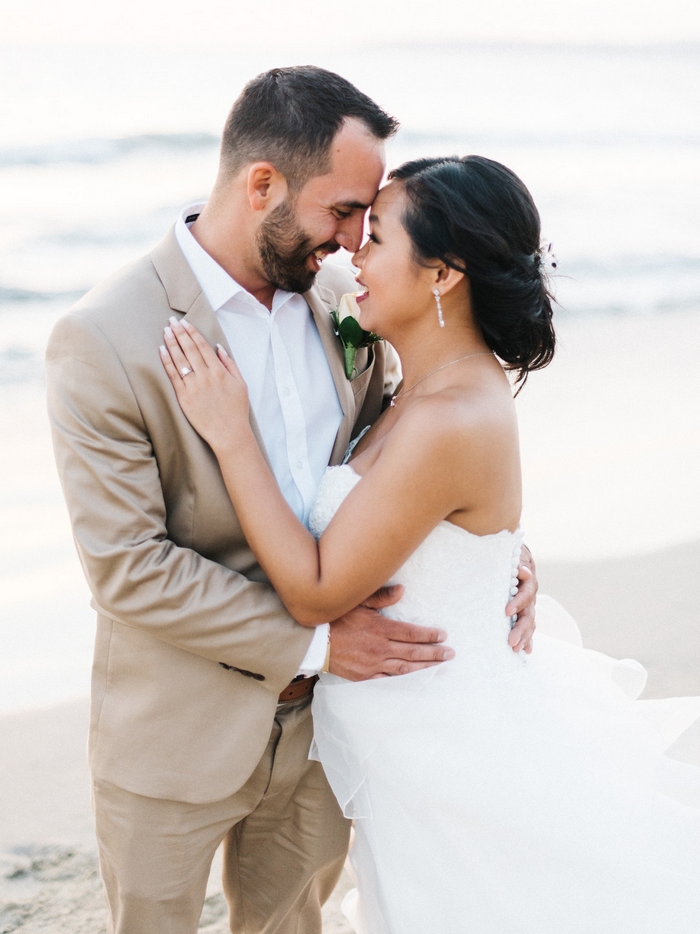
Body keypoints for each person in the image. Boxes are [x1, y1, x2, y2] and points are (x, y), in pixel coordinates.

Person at [45, 68, 538, 934]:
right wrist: (313, 641)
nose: (354, 240)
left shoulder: (351, 309)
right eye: (344, 210)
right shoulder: (105, 338)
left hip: (330, 734)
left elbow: (418, 459)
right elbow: (128, 569)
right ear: (262, 183)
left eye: (368, 221)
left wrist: (495, 555)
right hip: (178, 727)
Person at [161, 154, 700, 934]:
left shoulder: (453, 416)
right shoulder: (418, 381)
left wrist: (230, 433)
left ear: (444, 275)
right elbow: (440, 524)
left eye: (376, 238)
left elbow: (316, 593)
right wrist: (496, 556)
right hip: (413, 749)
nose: (355, 255)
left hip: (455, 749)